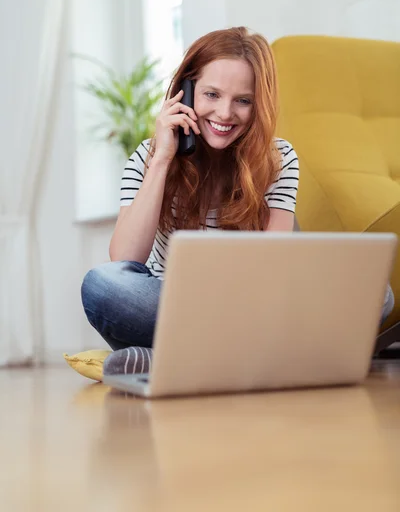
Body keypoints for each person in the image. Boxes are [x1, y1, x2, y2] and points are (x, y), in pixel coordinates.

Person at [81, 26, 393, 375]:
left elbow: (275, 264)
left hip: (253, 307)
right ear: (185, 93)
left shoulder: (278, 159)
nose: (225, 113)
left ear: (259, 104)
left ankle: (178, 361)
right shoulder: (150, 157)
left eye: (243, 100)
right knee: (103, 285)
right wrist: (163, 161)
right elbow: (125, 258)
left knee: (377, 293)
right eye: (211, 94)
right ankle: (258, 360)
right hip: (175, 304)